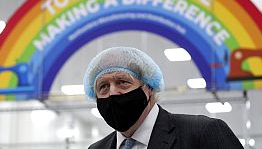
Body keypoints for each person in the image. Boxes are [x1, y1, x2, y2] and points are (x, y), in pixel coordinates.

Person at [83, 46, 243, 149]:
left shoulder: (202, 134)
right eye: (103, 86)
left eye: (123, 82)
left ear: (149, 87)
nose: (112, 93)